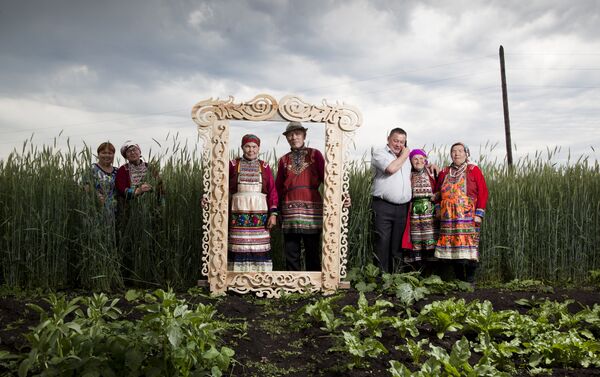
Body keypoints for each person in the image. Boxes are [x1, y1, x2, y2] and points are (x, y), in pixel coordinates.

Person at [434, 142, 488, 284]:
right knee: (453, 247)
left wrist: (479, 213)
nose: (457, 153)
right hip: (449, 217)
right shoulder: (445, 172)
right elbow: (437, 193)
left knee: (470, 246)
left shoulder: (473, 169)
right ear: (451, 154)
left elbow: (483, 192)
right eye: (454, 151)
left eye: (460, 151)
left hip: (468, 216)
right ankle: (459, 279)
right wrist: (438, 210)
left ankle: (470, 279)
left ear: (466, 154)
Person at [276, 121, 325, 271]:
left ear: (304, 135)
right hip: (289, 208)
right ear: (287, 138)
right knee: (291, 249)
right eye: (290, 134)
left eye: (297, 133)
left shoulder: (315, 154)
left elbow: (328, 179)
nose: (294, 137)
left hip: (311, 208)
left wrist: (342, 197)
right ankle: (292, 283)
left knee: (312, 248)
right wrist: (276, 210)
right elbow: (278, 187)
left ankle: (314, 283)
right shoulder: (283, 160)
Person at [228, 134, 278, 272]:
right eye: (247, 146)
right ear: (242, 147)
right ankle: (236, 277)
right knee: (239, 243)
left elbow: (272, 191)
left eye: (254, 147)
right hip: (238, 210)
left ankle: (260, 278)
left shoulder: (265, 166)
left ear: (259, 148)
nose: (251, 150)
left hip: (260, 210)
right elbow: (220, 185)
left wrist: (273, 214)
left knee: (259, 244)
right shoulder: (233, 165)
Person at [371, 128, 412, 273]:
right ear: (388, 139)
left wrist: (432, 166)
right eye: (396, 140)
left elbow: (419, 167)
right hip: (383, 206)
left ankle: (397, 277)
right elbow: (391, 169)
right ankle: (382, 277)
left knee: (398, 244)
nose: (399, 144)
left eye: (402, 142)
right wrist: (405, 154)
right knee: (382, 242)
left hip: (403, 208)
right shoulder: (379, 153)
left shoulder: (406, 158)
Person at [404, 149, 439, 269]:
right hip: (414, 212)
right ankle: (418, 270)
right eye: (415, 159)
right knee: (416, 239)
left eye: (421, 158)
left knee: (430, 239)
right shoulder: (408, 174)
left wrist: (437, 195)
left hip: (430, 211)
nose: (418, 161)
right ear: (411, 161)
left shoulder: (432, 172)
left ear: (425, 160)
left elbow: (441, 186)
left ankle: (432, 271)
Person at [87, 142, 118, 217]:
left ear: (113, 155)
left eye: (110, 153)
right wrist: (97, 196)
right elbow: (86, 186)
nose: (107, 155)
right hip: (96, 211)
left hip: (115, 212)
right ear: (98, 154)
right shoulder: (92, 169)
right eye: (103, 153)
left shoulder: (117, 171)